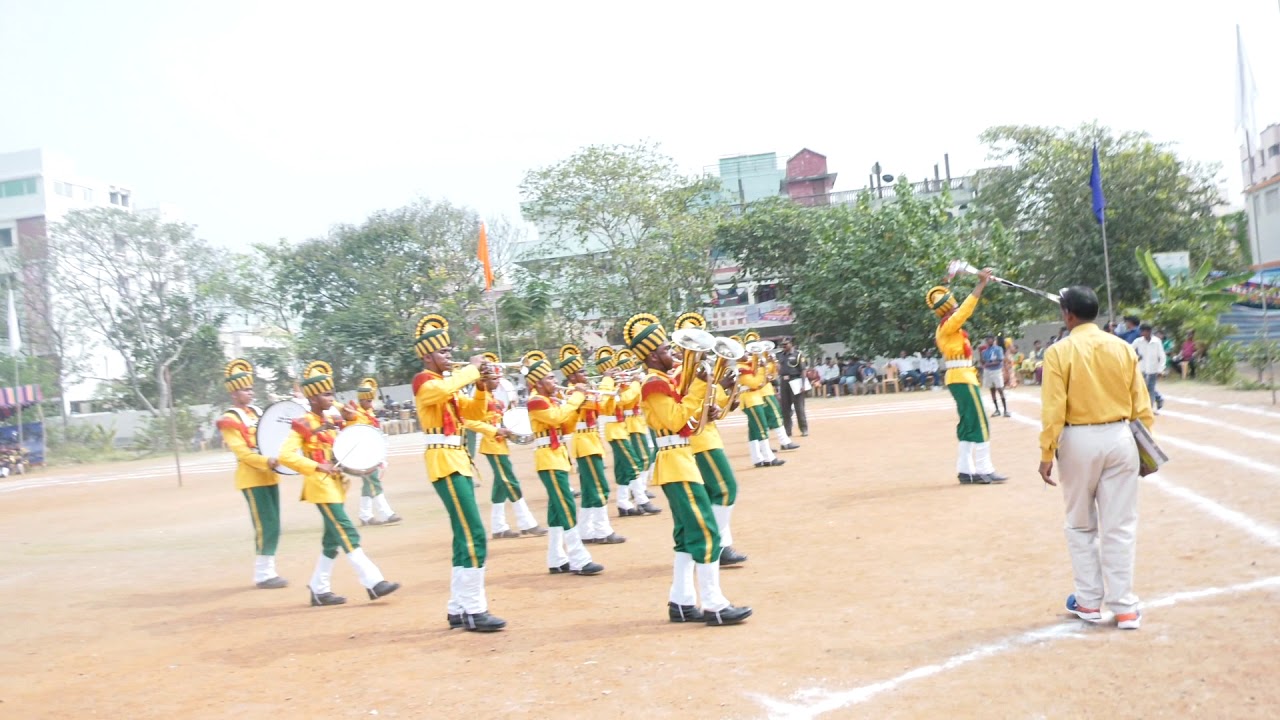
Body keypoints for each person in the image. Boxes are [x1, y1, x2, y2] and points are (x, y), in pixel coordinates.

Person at [624, 312, 751, 626]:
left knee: (685, 536)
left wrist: (717, 389)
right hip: (675, 462)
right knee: (705, 531)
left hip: (681, 460)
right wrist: (701, 387)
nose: (674, 354)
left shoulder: (665, 380)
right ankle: (714, 605)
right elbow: (677, 419)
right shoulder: (654, 384)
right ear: (653, 356)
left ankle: (681, 601)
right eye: (668, 350)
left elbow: (694, 421)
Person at [1038, 286, 1153, 631]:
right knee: (1120, 525)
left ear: (1068, 315)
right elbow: (1141, 404)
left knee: (1080, 523)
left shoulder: (1059, 352)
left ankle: (1089, 601)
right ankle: (1125, 607)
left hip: (1078, 439)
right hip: (1121, 437)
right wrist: (1143, 446)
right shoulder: (1123, 347)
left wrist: (1047, 452)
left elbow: (1054, 409)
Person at [409, 314, 504, 632]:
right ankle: (475, 610)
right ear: (427, 356)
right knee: (474, 533)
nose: (449, 356)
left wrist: (481, 386)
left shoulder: (446, 387)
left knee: (464, 536)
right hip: (444, 462)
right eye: (444, 353)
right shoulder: (425, 381)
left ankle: (458, 607)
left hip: (456, 460)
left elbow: (475, 413)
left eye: (450, 351)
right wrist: (473, 369)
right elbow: (444, 388)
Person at [278, 361, 401, 608]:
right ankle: (373, 582)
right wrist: (316, 466)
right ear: (312, 398)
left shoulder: (332, 421)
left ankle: (319, 589)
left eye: (331, 393)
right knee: (347, 532)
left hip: (336, 485)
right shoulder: (303, 423)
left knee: (332, 541)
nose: (331, 398)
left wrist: (350, 421)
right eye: (326, 394)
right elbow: (285, 455)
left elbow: (348, 447)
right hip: (319, 486)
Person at [522, 350, 605, 576]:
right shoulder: (536, 401)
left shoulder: (548, 400)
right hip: (548, 459)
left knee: (557, 510)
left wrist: (578, 405)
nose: (554, 381)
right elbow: (556, 418)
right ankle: (579, 558)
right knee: (566, 506)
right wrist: (575, 398)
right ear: (538, 382)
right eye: (549, 377)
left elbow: (565, 425)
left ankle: (556, 558)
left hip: (556, 457)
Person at [678, 312, 749, 567]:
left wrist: (726, 397)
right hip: (699, 440)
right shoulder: (680, 373)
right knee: (726, 488)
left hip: (707, 436)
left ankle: (719, 545)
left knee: (712, 493)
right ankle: (717, 545)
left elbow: (709, 405)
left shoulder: (699, 371)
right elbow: (684, 406)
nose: (705, 352)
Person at [926, 271, 1008, 485]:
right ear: (948, 307)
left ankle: (965, 470)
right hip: (962, 377)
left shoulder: (946, 328)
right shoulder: (948, 325)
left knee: (968, 423)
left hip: (958, 377)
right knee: (980, 422)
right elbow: (965, 310)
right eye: (953, 304)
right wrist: (980, 285)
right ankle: (984, 469)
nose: (956, 306)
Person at [215, 359, 288, 589]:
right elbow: (243, 454)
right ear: (234, 394)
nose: (251, 392)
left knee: (274, 524)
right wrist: (268, 460)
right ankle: (263, 574)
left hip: (269, 475)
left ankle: (268, 570)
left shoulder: (257, 412)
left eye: (250, 388)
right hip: (252, 479)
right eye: (246, 389)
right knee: (265, 525)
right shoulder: (230, 420)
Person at [461, 366, 547, 541]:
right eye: (493, 379)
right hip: (492, 443)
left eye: (498, 378)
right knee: (510, 481)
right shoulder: (480, 397)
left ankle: (498, 527)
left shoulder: (493, 396)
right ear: (483, 380)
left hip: (500, 443)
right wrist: (493, 430)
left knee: (501, 485)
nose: (497, 382)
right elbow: (467, 421)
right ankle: (526, 522)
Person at [558, 343, 625, 544]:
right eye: (580, 372)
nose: (585, 374)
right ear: (571, 378)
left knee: (588, 491)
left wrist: (614, 387)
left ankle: (586, 531)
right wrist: (606, 381)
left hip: (590, 441)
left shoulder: (583, 390)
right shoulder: (573, 392)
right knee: (599, 487)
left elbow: (604, 408)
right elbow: (599, 404)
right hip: (585, 443)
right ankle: (602, 530)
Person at [593, 347, 658, 517]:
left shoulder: (612, 384)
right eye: (612, 369)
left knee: (623, 469)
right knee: (634, 463)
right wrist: (635, 382)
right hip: (616, 431)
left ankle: (623, 503)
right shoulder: (605, 387)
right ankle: (642, 500)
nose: (617, 371)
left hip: (620, 429)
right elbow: (625, 399)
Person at [340, 377, 402, 526]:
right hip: (362, 456)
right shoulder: (356, 415)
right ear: (361, 400)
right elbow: (353, 432)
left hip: (371, 454)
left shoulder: (370, 414)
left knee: (369, 484)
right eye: (367, 401)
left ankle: (365, 515)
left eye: (371, 400)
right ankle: (386, 513)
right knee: (374, 482)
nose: (370, 404)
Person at [743, 330, 799, 450]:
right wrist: (765, 367)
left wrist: (773, 364)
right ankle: (781, 442)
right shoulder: (749, 361)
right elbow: (758, 377)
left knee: (768, 418)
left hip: (766, 390)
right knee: (772, 416)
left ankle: (766, 446)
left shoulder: (762, 357)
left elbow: (772, 375)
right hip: (761, 392)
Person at [735, 335, 784, 468]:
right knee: (762, 428)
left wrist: (768, 365)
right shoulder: (741, 368)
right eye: (745, 352)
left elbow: (767, 378)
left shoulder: (748, 365)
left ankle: (757, 458)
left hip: (754, 400)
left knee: (754, 430)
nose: (748, 354)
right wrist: (762, 369)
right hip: (751, 401)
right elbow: (755, 383)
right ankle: (769, 457)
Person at [775, 337, 809, 438]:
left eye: (786, 344)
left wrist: (803, 385)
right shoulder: (779, 355)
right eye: (783, 345)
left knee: (799, 407)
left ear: (791, 344)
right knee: (785, 408)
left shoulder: (798, 355)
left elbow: (803, 370)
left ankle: (804, 429)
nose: (784, 346)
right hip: (783, 382)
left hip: (795, 381)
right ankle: (787, 430)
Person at [1131, 324, 1166, 412]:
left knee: (1150, 388)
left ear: (1149, 332)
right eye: (1142, 331)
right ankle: (1159, 398)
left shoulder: (1156, 342)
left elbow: (1162, 356)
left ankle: (1149, 408)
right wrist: (1136, 357)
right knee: (1143, 387)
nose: (1143, 333)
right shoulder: (1138, 341)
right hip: (1142, 368)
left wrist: (1160, 369)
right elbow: (1130, 350)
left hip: (1152, 369)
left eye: (1144, 331)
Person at [980, 335, 1009, 417]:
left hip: (996, 370)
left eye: (990, 339)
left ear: (993, 340)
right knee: (992, 390)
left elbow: (999, 361)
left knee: (1000, 389)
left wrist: (987, 364)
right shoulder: (985, 351)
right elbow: (983, 362)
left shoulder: (998, 349)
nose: (988, 341)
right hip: (988, 371)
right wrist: (981, 356)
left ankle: (1005, 410)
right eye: (987, 340)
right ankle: (997, 410)